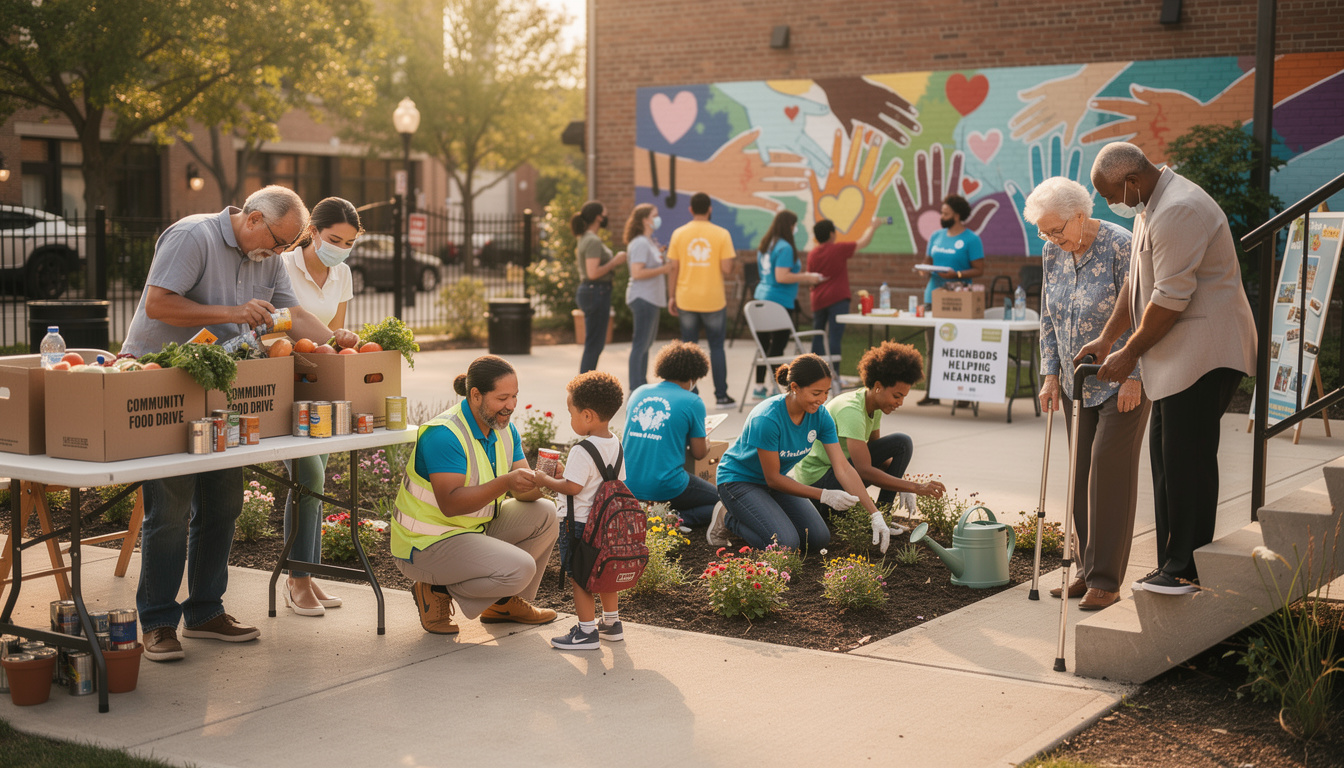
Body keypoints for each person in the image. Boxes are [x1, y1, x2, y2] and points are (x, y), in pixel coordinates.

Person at [120, 185, 359, 662]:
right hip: (164, 381)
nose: (279, 252)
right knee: (170, 510)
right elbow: (158, 304)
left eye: (287, 246)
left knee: (223, 504)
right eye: (277, 241)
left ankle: (205, 612)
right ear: (252, 219)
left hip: (221, 383)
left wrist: (335, 342)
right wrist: (232, 312)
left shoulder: (268, 257)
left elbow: (291, 314)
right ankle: (158, 622)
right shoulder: (193, 236)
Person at [1077, 141, 1256, 596]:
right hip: (1181, 355)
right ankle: (1171, 566)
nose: (1110, 203)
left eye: (1111, 194)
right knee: (1168, 458)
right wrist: (1108, 338)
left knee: (1187, 460)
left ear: (1132, 181)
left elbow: (1170, 298)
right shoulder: (1150, 207)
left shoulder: (1179, 209)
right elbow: (1138, 284)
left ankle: (1186, 570)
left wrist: (1129, 354)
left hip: (1206, 351)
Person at [1025, 177, 1149, 611]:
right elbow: (1048, 317)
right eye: (1043, 232)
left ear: (1080, 215)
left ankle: (1106, 580)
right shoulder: (1052, 253)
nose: (1051, 239)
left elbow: (1143, 312)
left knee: (1107, 476)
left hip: (1121, 380)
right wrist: (1049, 375)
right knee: (1080, 475)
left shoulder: (1121, 245)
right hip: (1075, 382)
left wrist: (1135, 374)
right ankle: (1084, 569)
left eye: (1056, 230)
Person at [391, 355, 559, 634]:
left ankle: (501, 603)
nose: (511, 406)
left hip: (470, 530)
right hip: (424, 545)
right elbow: (451, 504)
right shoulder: (444, 434)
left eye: (515, 396)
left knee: (546, 513)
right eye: (502, 398)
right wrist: (505, 482)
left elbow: (525, 494)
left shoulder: (505, 429)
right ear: (476, 395)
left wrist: (547, 480)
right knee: (520, 568)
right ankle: (435, 590)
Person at [709, 354, 895, 554]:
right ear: (795, 387)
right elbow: (772, 478)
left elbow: (843, 467)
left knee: (818, 538)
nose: (822, 400)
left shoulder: (820, 416)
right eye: (816, 393)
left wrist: (874, 514)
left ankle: (763, 516)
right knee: (786, 545)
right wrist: (824, 495)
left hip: (775, 482)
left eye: (826, 392)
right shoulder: (767, 418)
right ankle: (728, 519)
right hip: (739, 482)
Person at [276, 197, 362, 617]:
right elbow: (277, 325)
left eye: (349, 243)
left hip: (321, 383)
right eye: (334, 239)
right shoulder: (283, 266)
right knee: (308, 475)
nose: (341, 249)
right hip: (284, 380)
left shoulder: (342, 273)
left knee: (315, 481)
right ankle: (297, 579)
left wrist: (345, 338)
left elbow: (332, 333)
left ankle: (306, 573)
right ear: (312, 231)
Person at [791, 341, 944, 517]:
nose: (900, 403)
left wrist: (902, 482)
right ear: (878, 387)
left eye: (903, 397)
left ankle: (883, 516)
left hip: (838, 474)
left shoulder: (872, 406)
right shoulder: (852, 411)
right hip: (819, 485)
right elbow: (864, 469)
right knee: (902, 442)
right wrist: (915, 487)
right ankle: (878, 517)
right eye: (897, 396)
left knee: (901, 444)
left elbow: (877, 458)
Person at [531, 371, 628, 650]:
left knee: (581, 577)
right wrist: (565, 475)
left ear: (587, 416)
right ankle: (611, 623)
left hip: (580, 525)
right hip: (607, 524)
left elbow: (573, 488)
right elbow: (611, 481)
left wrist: (544, 480)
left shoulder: (582, 449)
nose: (570, 418)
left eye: (571, 412)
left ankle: (586, 632)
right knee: (605, 574)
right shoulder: (616, 444)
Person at [623, 341, 720, 527]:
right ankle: (674, 519)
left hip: (628, 484)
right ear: (694, 376)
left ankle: (654, 513)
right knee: (725, 503)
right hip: (666, 485)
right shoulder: (693, 401)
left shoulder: (638, 392)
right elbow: (699, 453)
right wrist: (705, 439)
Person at [667, 192, 737, 409]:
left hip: (686, 298)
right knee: (717, 347)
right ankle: (722, 396)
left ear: (690, 209)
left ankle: (691, 394)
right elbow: (727, 268)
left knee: (689, 349)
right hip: (713, 299)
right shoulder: (722, 234)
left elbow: (673, 268)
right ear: (710, 209)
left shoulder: (678, 234)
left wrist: (671, 296)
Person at [917, 194, 985, 406]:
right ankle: (932, 393)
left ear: (957, 215)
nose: (942, 216)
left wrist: (956, 274)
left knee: (960, 346)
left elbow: (979, 269)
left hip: (959, 301)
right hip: (933, 296)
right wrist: (924, 269)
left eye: (946, 213)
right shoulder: (936, 236)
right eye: (942, 212)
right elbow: (928, 259)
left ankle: (962, 395)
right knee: (932, 347)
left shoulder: (971, 239)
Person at [750, 210, 822, 401]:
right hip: (779, 301)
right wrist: (808, 277)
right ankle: (776, 386)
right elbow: (782, 276)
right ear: (790, 226)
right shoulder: (785, 247)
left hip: (761, 297)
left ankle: (759, 386)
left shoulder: (766, 244)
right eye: (794, 225)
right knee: (777, 347)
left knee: (763, 347)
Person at [807, 217, 883, 365]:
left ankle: (815, 372)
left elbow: (811, 279)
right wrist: (873, 227)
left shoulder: (812, 254)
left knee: (817, 336)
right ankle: (834, 372)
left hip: (818, 300)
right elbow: (863, 242)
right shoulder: (838, 249)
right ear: (831, 234)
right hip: (837, 299)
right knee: (834, 337)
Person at [624, 203, 674, 390]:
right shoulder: (640, 242)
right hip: (643, 298)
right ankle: (635, 387)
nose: (657, 219)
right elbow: (637, 272)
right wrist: (664, 269)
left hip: (651, 298)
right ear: (645, 220)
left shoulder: (649, 241)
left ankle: (641, 384)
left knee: (646, 344)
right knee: (640, 344)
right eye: (654, 215)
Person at [573, 200, 626, 374]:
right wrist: (615, 261)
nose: (606, 217)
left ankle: (584, 383)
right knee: (594, 344)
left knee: (595, 343)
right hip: (596, 291)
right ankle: (584, 385)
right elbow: (593, 272)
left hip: (593, 291)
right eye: (605, 213)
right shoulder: (592, 240)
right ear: (598, 217)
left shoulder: (586, 238)